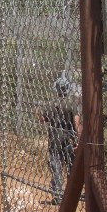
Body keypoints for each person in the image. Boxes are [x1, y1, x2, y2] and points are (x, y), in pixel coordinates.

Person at [37, 74, 80, 205]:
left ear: (56, 89)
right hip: (69, 140)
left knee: (56, 167)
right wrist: (79, 139)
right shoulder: (72, 104)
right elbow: (76, 122)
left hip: (55, 140)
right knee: (71, 167)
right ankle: (72, 194)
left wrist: (39, 110)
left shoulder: (50, 104)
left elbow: (42, 119)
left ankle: (58, 195)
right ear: (68, 88)